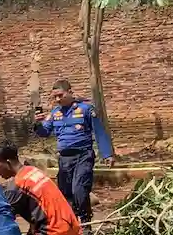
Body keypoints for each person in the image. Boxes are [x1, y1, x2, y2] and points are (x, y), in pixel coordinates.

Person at [33, 79, 113, 224]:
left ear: (70, 92)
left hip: (83, 156)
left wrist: (107, 154)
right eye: (55, 97)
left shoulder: (85, 109)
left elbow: (99, 131)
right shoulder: (55, 113)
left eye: (60, 95)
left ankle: (86, 222)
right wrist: (37, 124)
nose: (57, 99)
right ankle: (72, 225)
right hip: (64, 159)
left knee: (80, 189)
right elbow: (44, 132)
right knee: (65, 194)